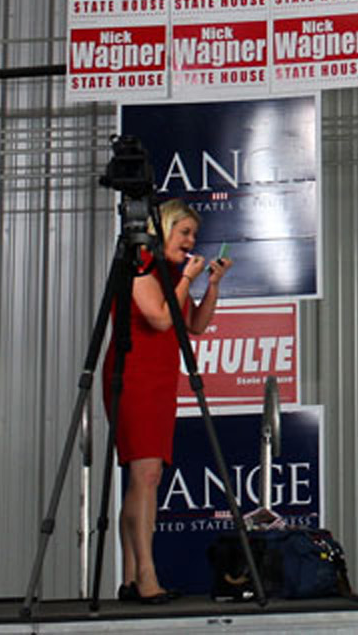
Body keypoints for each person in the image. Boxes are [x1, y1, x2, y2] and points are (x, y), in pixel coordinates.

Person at [103, 197, 231, 602]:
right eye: (185, 232)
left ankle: (129, 577)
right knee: (147, 476)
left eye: (194, 234)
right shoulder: (140, 263)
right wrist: (185, 281)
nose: (191, 241)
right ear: (165, 229)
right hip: (133, 377)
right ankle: (146, 576)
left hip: (159, 380)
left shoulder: (170, 272)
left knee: (146, 478)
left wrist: (210, 285)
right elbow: (159, 317)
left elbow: (193, 324)